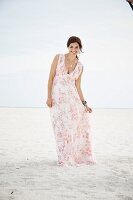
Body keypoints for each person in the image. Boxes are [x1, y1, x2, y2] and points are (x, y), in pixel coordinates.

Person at [46, 36, 96, 167]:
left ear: (80, 49)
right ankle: (64, 156)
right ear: (68, 47)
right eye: (71, 46)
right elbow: (51, 78)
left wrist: (85, 104)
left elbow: (78, 86)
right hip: (57, 100)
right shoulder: (58, 58)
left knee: (74, 128)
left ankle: (72, 157)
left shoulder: (80, 66)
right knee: (60, 129)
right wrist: (49, 97)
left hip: (72, 101)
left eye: (76, 47)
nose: (74, 49)